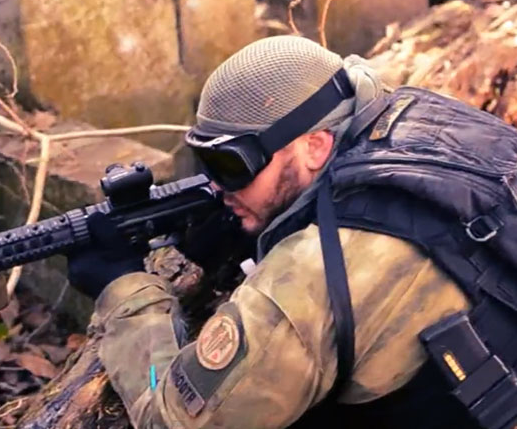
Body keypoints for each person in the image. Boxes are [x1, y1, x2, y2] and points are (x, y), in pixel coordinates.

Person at [68, 36, 517, 428]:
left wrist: (124, 291)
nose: (217, 186)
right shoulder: (416, 118)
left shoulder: (308, 278)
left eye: (231, 166)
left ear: (315, 146)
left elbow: (173, 419)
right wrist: (264, 222)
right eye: (205, 163)